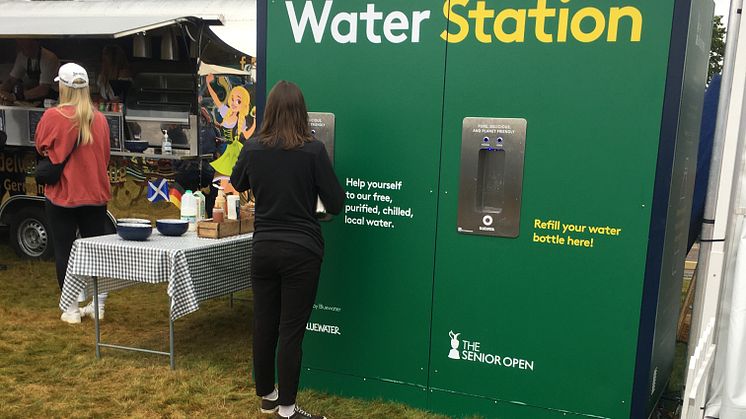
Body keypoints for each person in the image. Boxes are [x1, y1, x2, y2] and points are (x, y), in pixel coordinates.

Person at [230, 81, 344, 419]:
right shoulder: (313, 150)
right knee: (291, 332)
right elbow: (336, 202)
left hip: (263, 247)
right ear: (301, 113)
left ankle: (267, 396)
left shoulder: (253, 148)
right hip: (302, 250)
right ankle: (288, 410)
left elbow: (237, 183)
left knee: (264, 324)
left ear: (270, 111)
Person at [34, 63, 113, 324]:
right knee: (97, 251)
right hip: (95, 193)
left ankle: (71, 308)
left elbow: (40, 145)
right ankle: (98, 305)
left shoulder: (54, 117)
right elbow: (106, 157)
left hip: (63, 194)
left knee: (65, 250)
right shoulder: (99, 118)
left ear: (63, 87)